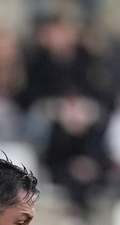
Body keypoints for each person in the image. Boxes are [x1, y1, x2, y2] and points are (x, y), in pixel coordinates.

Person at [41, 85, 107, 218]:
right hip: (61, 169)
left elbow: (101, 154)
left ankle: (84, 214)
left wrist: (87, 163)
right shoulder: (56, 129)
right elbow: (50, 156)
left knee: (87, 177)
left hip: (89, 170)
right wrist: (67, 131)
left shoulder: (95, 130)